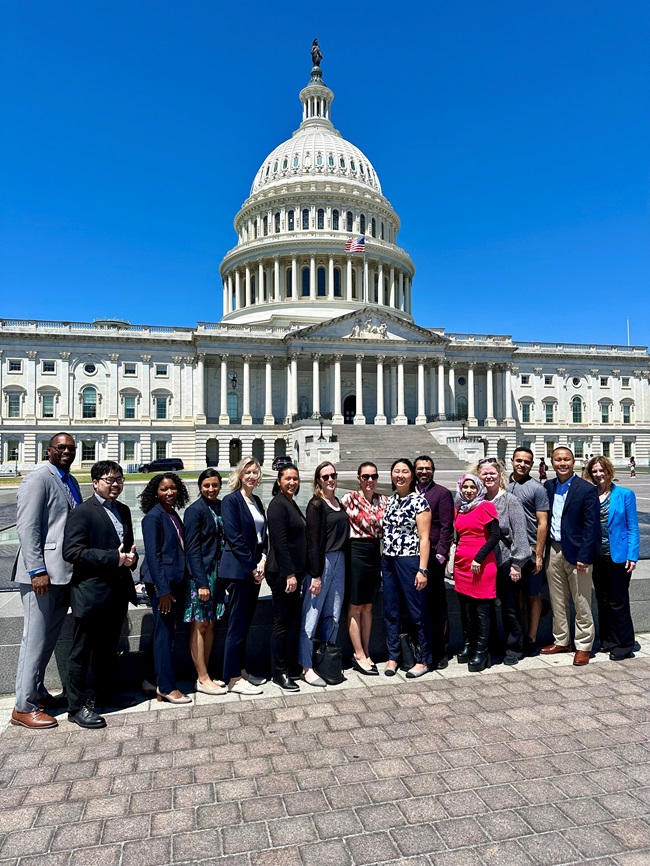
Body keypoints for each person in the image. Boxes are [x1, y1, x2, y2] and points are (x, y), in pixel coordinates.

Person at [11, 432, 82, 729]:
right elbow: (27, 528)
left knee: (48, 640)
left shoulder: (71, 480)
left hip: (63, 574)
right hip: (41, 575)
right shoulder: (38, 477)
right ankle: (22, 707)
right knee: (34, 640)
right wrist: (36, 570)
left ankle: (37, 692)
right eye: (61, 447)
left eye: (71, 448)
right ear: (49, 450)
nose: (66, 451)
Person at [62, 461, 138, 728]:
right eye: (109, 479)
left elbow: (127, 546)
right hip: (91, 593)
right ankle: (76, 706)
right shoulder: (83, 512)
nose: (115, 484)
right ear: (95, 483)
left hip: (117, 592)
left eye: (119, 479)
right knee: (82, 652)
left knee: (108, 648)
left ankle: (105, 694)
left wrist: (131, 558)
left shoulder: (124, 510)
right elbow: (72, 552)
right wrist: (113, 558)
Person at [541, 447, 600, 666]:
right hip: (554, 549)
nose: (562, 463)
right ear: (552, 462)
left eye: (566, 459)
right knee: (558, 599)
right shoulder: (548, 486)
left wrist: (585, 555)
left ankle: (583, 645)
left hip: (578, 553)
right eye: (558, 460)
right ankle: (562, 640)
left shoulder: (586, 489)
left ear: (573, 461)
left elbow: (591, 526)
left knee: (582, 600)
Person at [140, 473, 192, 703]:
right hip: (163, 585)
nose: (169, 492)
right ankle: (167, 687)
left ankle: (151, 680)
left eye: (173, 488)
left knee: (163, 632)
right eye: (164, 489)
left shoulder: (171, 514)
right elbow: (153, 556)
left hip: (173, 581)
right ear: (155, 492)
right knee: (165, 635)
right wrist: (163, 591)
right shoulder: (153, 517)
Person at [474, 458, 530, 665]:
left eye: (492, 474)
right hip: (483, 562)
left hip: (506, 559)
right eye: (484, 474)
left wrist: (517, 563)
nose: (488, 477)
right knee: (485, 607)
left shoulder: (510, 501)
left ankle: (515, 647)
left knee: (510, 606)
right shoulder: (476, 501)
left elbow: (520, 534)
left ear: (500, 476)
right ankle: (491, 644)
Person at [583, 455, 639, 660]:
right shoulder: (590, 495)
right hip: (597, 556)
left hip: (618, 555)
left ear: (608, 471)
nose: (598, 474)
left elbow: (632, 527)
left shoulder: (625, 494)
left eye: (601, 470)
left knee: (619, 600)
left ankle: (624, 644)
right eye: (595, 471)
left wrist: (633, 555)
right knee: (603, 599)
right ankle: (608, 640)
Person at [220, 457, 268, 695]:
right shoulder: (230, 501)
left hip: (254, 569)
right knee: (236, 625)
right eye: (248, 472)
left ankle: (241, 670)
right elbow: (235, 537)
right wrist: (252, 566)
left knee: (245, 624)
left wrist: (263, 560)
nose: (252, 476)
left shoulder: (256, 500)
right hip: (239, 571)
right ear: (240, 475)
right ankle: (232, 677)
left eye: (255, 472)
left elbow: (262, 536)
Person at [381, 458, 432, 679]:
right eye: (396, 471)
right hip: (389, 560)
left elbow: (425, 538)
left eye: (404, 471)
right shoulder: (389, 501)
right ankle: (393, 656)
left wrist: (422, 570)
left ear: (412, 476)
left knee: (416, 611)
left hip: (410, 560)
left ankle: (423, 659)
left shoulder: (420, 502)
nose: (400, 475)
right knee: (390, 610)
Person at [300, 462, 348, 687]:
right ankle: (306, 666)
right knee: (312, 614)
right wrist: (316, 574)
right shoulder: (316, 505)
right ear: (318, 480)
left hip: (339, 561)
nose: (330, 480)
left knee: (334, 615)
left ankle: (326, 660)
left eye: (333, 475)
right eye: (325, 476)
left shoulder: (338, 503)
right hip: (322, 563)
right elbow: (312, 543)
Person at [183, 469, 227, 696]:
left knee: (211, 623)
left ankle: (206, 673)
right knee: (199, 624)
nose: (211, 489)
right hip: (201, 576)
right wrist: (201, 582)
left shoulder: (220, 507)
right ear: (200, 487)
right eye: (207, 485)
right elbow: (191, 549)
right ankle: (200, 677)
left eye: (215, 485)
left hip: (218, 574)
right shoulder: (194, 511)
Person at [340, 462, 387, 676]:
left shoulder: (383, 500)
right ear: (358, 478)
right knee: (355, 605)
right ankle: (358, 654)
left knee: (368, 606)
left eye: (373, 476)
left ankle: (367, 651)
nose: (370, 480)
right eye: (365, 476)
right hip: (355, 552)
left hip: (374, 553)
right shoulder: (349, 499)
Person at [453, 474, 500, 672]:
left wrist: (478, 558)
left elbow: (495, 535)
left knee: (482, 611)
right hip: (462, 566)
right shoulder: (460, 509)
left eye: (473, 487)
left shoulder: (485, 506)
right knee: (466, 610)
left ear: (479, 488)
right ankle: (469, 644)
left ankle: (483, 650)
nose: (469, 490)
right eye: (465, 487)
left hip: (481, 566)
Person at [265, 463, 306, 691]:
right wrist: (289, 573)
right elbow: (279, 543)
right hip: (282, 574)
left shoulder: (290, 503)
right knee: (281, 623)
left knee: (290, 621)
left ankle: (288, 666)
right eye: (288, 479)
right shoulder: (278, 505)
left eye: (295, 479)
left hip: (292, 573)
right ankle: (278, 672)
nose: (292, 482)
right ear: (279, 481)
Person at [507, 448, 550, 654]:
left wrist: (539, 554)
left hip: (532, 550)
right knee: (517, 597)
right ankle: (519, 636)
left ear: (532, 465)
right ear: (512, 461)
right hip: (510, 551)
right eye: (519, 460)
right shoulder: (504, 485)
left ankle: (532, 637)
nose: (522, 464)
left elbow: (543, 524)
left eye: (526, 461)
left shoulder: (537, 488)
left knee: (533, 594)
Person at [414, 455, 454, 670]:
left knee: (437, 605)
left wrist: (441, 554)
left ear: (433, 471)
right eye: (420, 468)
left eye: (427, 468)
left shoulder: (442, 493)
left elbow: (447, 527)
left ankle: (440, 650)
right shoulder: (410, 492)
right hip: (413, 555)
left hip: (434, 558)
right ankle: (420, 647)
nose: (423, 472)